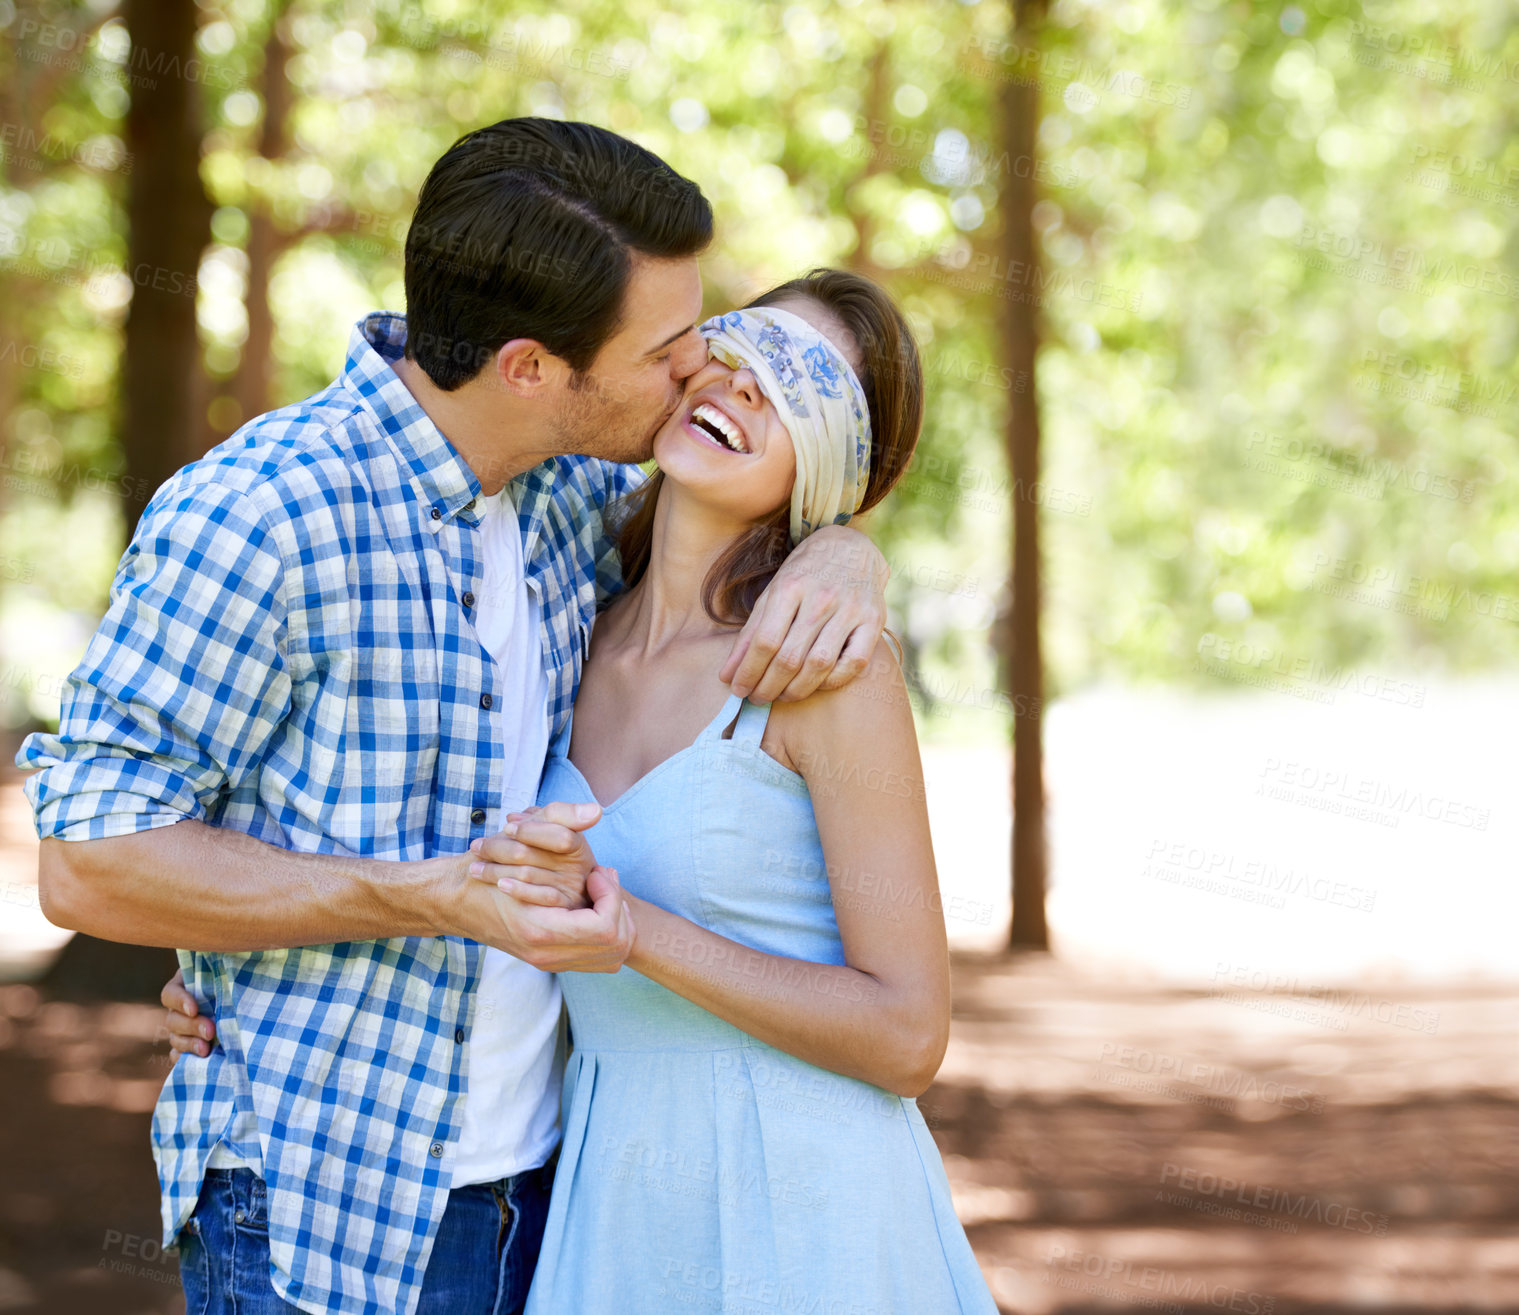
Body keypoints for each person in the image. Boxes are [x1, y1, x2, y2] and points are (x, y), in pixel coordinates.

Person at [18, 119, 890, 1315]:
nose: (697, 372)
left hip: (559, 1199)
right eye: (670, 348)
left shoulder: (574, 501)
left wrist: (845, 547)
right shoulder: (261, 517)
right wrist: (417, 894)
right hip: (326, 1208)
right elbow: (86, 863)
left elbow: (764, 487)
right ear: (530, 365)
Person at [167, 270, 999, 1312]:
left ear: (837, 466)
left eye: (797, 388)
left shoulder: (828, 671)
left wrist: (634, 934)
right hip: (601, 1194)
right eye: (737, 351)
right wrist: (232, 969)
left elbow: (908, 1035)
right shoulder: (572, 607)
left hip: (805, 1205)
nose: (742, 389)